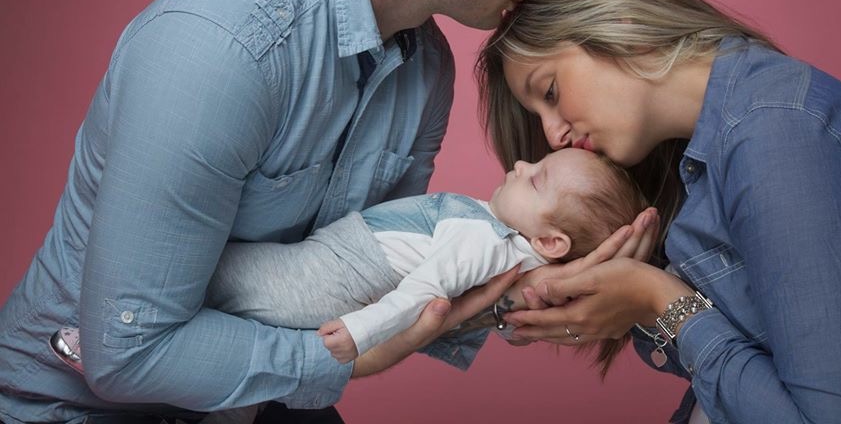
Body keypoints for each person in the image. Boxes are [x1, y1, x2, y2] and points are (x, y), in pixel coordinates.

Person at [0, 0, 594, 422]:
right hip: (80, 403)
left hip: (250, 396)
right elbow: (127, 352)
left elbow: (373, 277)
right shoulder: (221, 51)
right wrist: (341, 361)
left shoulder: (427, 71)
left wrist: (531, 281)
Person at [476, 0, 841, 423]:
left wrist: (658, 299)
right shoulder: (691, 154)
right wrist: (524, 299)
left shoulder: (777, 135)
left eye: (551, 91)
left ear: (618, 23)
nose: (552, 135)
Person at [53, 148, 647, 377]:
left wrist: (361, 331)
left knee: (218, 274)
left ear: (552, 243)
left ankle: (104, 338)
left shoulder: (483, 238)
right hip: (337, 265)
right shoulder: (498, 242)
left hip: (335, 273)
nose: (519, 165)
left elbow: (424, 291)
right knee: (248, 323)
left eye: (536, 178)